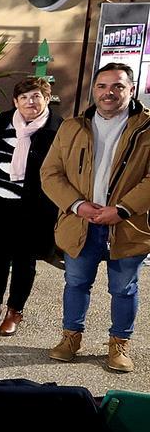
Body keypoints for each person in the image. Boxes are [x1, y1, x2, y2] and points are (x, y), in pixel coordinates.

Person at [43, 62, 150, 373]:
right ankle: (70, 337)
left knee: (123, 288)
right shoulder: (72, 126)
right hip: (82, 223)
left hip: (127, 225)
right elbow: (50, 174)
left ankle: (119, 345)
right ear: (94, 90)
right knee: (75, 282)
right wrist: (77, 205)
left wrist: (121, 209)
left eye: (117, 86)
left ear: (131, 89)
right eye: (102, 86)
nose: (109, 92)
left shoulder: (145, 128)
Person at [0, 77, 61, 336]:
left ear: (47, 99)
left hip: (33, 209)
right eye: (23, 98)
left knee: (25, 261)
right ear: (15, 101)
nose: (29, 102)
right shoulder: (0, 124)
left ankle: (15, 311)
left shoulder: (58, 130)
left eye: (35, 96)